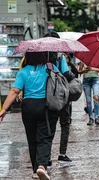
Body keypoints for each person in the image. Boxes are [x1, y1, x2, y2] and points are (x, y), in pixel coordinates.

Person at [0, 52, 58, 180]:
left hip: (28, 107)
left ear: (27, 57)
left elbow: (15, 90)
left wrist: (4, 109)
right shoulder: (50, 68)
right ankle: (42, 166)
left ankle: (34, 170)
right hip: (46, 106)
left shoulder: (23, 72)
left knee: (32, 139)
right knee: (45, 137)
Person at [43, 31, 75, 167]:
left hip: (47, 95)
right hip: (61, 95)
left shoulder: (41, 57)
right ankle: (62, 154)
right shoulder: (60, 57)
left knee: (49, 126)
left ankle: (47, 157)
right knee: (65, 124)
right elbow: (67, 75)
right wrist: (74, 75)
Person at [78, 61, 99, 125]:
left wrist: (92, 69)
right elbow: (79, 71)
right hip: (86, 81)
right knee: (88, 100)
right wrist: (84, 70)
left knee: (96, 97)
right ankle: (91, 117)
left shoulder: (97, 59)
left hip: (95, 79)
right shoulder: (83, 60)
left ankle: (97, 117)